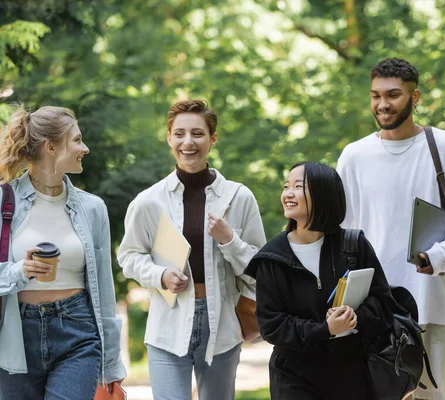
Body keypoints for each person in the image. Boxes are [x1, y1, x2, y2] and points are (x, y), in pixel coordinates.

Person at [336, 57, 445, 400]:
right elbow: (340, 234)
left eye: (393, 94)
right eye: (375, 95)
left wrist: (437, 256)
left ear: (416, 97)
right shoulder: (354, 156)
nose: (383, 104)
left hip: (434, 303)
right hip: (374, 310)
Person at [118, 99, 266, 400]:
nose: (188, 142)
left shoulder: (239, 197)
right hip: (166, 327)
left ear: (213, 138)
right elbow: (129, 257)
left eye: (198, 133)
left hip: (222, 327)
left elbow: (261, 269)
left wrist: (229, 240)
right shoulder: (149, 201)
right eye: (180, 133)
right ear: (169, 137)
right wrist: (160, 275)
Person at [0, 105, 126, 399]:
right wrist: (21, 271)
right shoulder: (5, 200)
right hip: (15, 335)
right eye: (77, 140)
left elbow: (104, 289)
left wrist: (111, 362)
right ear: (52, 146)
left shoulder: (92, 208)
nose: (85, 148)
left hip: (78, 333)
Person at [244, 161, 393, 400]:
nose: (288, 194)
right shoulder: (272, 257)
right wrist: (324, 330)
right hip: (293, 376)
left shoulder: (354, 246)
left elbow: (383, 303)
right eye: (286, 186)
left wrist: (354, 319)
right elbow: (272, 325)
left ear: (324, 193)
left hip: (351, 373)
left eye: (298, 186)